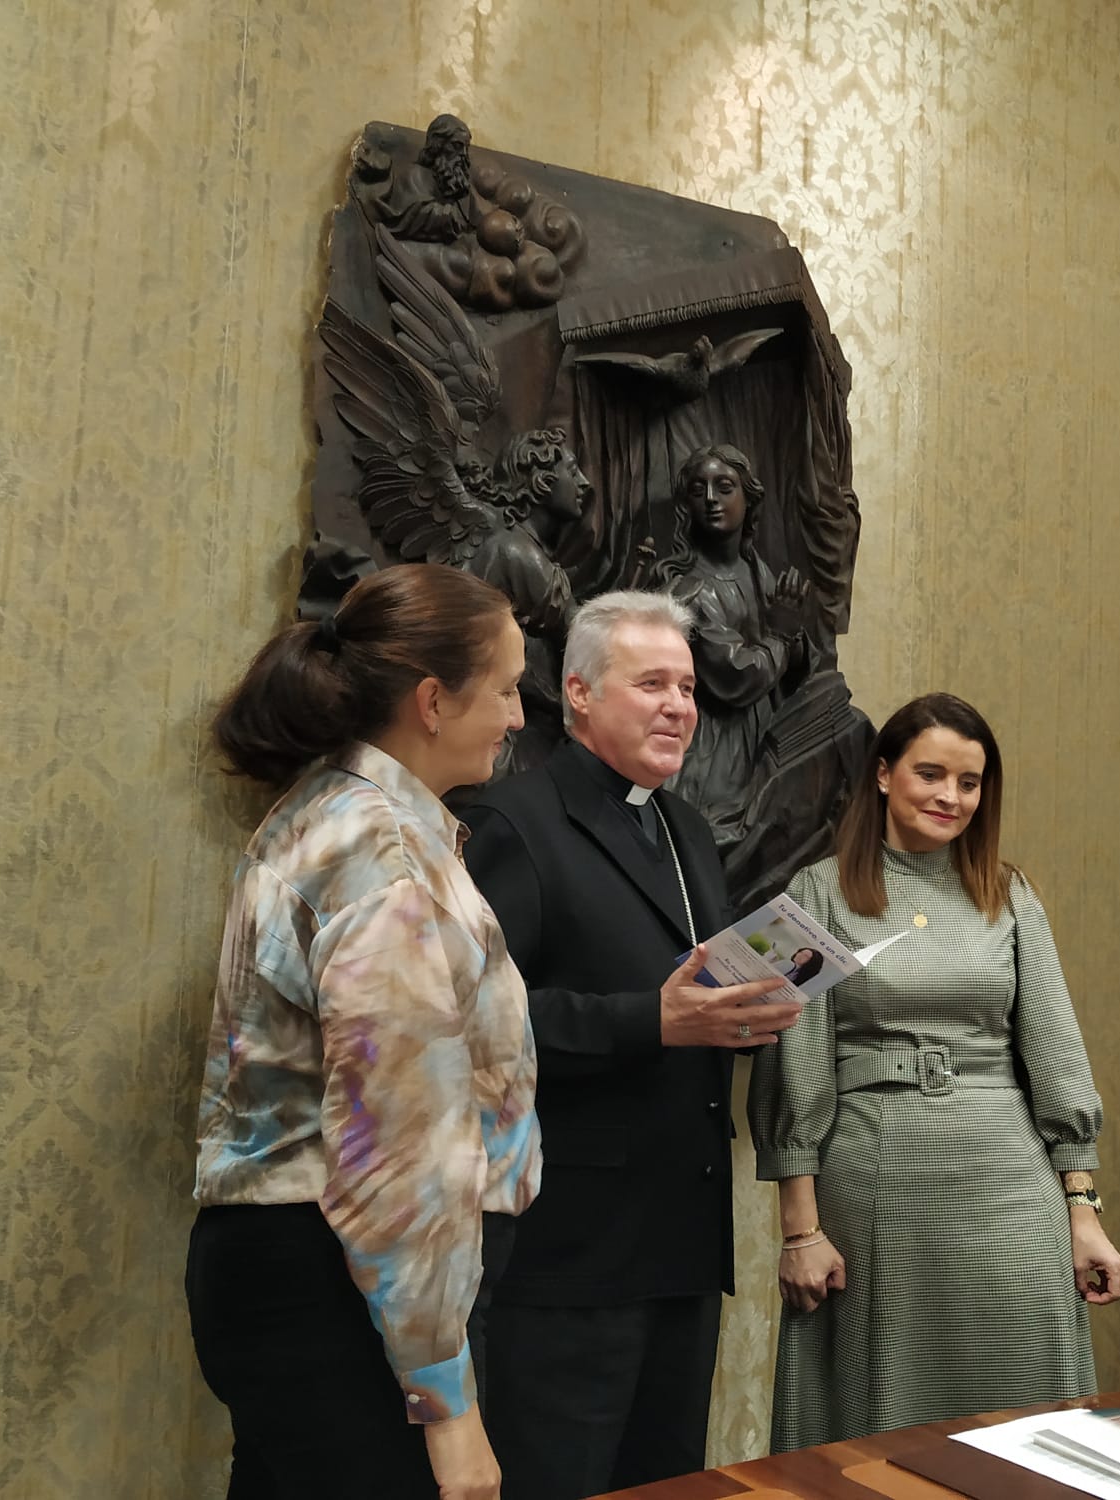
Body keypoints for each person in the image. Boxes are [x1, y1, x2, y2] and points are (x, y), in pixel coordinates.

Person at [185, 563, 540, 1500]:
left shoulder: (349, 818)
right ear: (432, 700)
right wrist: (446, 1404)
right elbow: (398, 1149)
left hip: (318, 1280)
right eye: (505, 689)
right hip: (345, 1292)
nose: (516, 715)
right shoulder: (377, 850)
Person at [460, 590, 803, 1500]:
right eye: (651, 684)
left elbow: (697, 990)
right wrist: (651, 1021)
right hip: (568, 1251)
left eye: (687, 688)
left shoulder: (686, 826)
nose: (679, 707)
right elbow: (479, 1023)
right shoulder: (513, 822)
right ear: (576, 693)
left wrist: (752, 1012)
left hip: (682, 1242)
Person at [749, 692, 1120, 1450]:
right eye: (931, 774)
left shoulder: (1009, 893)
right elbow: (792, 1068)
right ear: (884, 775)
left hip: (1008, 1181)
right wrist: (800, 1231)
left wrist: (1083, 1213)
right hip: (874, 1176)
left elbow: (1057, 1056)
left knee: (1026, 1398)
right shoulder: (814, 893)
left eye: (970, 782)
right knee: (884, 1408)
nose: (950, 797)